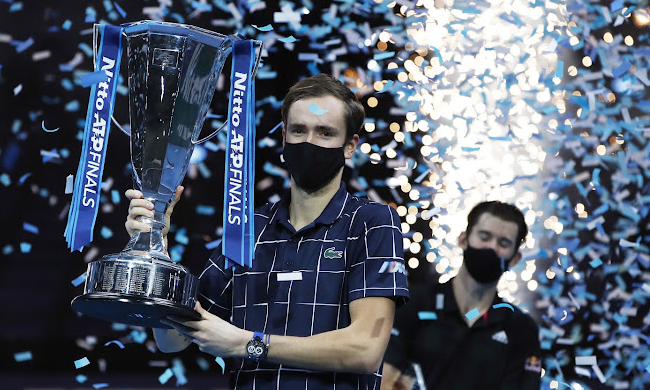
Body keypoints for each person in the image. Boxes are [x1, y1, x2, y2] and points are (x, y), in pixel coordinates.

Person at [125, 73, 409, 390]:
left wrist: (249, 344)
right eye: (299, 131)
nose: (309, 142)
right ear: (284, 137)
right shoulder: (250, 229)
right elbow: (174, 339)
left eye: (325, 133)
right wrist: (156, 246)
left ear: (350, 146)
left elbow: (365, 350)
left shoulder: (371, 222)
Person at [381, 201, 542, 390]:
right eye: (484, 237)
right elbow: (385, 381)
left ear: (515, 258)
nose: (491, 248)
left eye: (503, 243)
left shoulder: (521, 329)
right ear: (463, 240)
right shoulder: (412, 303)